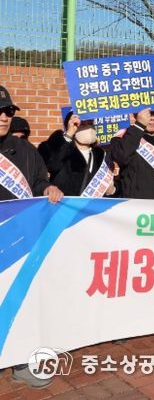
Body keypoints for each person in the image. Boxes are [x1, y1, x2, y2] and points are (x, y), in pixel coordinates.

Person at [0, 85, 63, 389]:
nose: (3, 117)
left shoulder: (25, 150)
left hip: (18, 242)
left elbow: (39, 180)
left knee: (18, 300)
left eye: (8, 111)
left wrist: (47, 188)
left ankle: (22, 360)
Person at [38, 111, 116, 197]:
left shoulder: (101, 154)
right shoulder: (58, 146)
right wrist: (68, 135)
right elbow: (52, 164)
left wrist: (112, 191)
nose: (88, 128)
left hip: (95, 205)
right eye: (82, 124)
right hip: (64, 203)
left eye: (91, 123)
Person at [111, 108, 154, 199]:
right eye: (147, 114)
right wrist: (139, 126)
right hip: (137, 204)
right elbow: (121, 158)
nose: (152, 118)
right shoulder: (123, 138)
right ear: (135, 115)